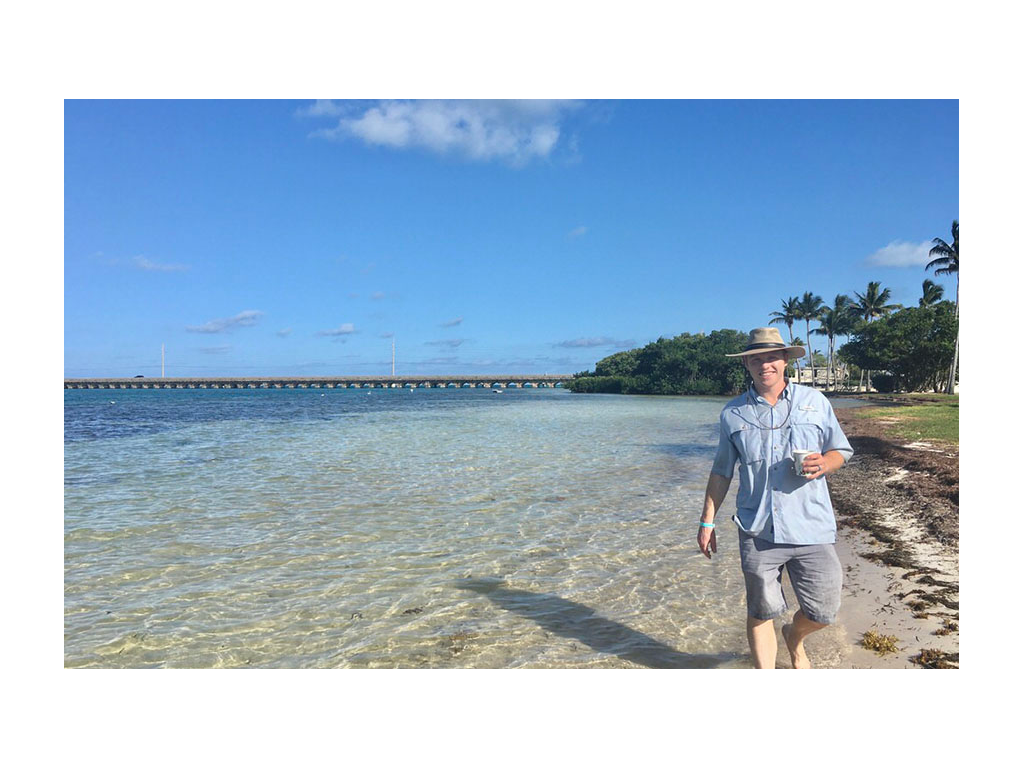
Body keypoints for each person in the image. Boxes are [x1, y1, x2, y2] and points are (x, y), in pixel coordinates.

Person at [697, 327, 853, 669]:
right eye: (756, 359)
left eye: (771, 357)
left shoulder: (815, 402)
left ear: (785, 361)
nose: (764, 364)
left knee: (824, 611)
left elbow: (841, 449)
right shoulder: (732, 414)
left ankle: (794, 637)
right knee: (761, 609)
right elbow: (722, 471)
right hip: (756, 530)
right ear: (747, 365)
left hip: (811, 525)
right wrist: (707, 520)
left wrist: (825, 462)